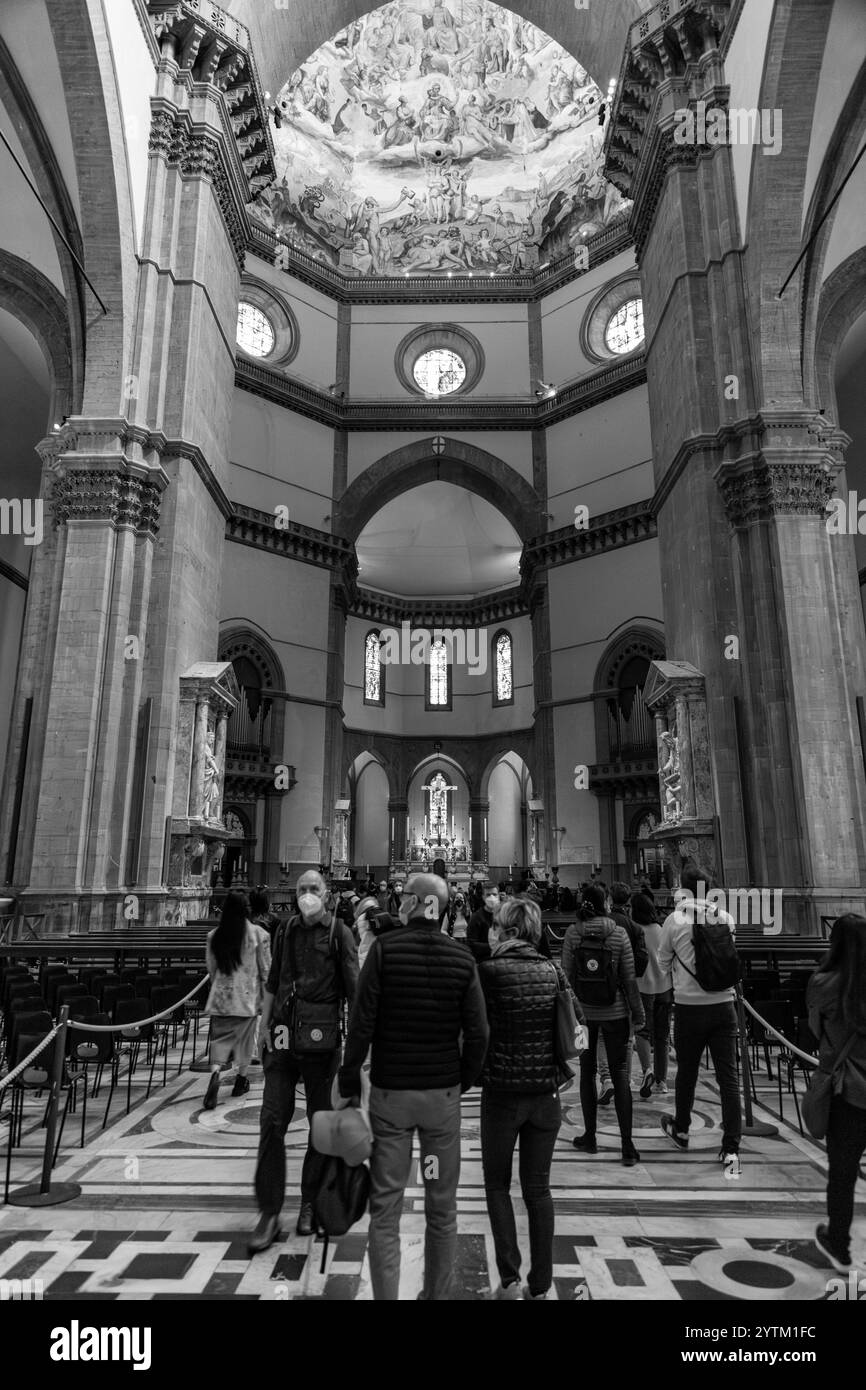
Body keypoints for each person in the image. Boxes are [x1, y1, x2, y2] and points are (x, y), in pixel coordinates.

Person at [338, 873, 489, 1300]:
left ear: (423, 903)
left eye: (404, 897)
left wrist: (351, 1072)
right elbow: (478, 1032)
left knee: (385, 1207)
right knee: (442, 1208)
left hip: (391, 1097)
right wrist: (463, 1079)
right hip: (440, 1099)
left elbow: (362, 1019)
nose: (398, 901)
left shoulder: (384, 950)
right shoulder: (461, 959)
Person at [247, 870, 358, 1254]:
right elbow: (273, 981)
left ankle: (310, 1201)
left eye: (314, 889)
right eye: (302, 890)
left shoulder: (339, 933)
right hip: (281, 1038)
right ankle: (269, 1209)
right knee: (271, 1121)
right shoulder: (285, 931)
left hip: (322, 1043)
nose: (307, 895)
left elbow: (355, 993)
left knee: (320, 1124)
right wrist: (262, 1027)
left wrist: (356, 1057)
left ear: (327, 896)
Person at [479, 896, 582, 1300]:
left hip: (502, 1094)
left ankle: (509, 1281)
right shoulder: (554, 970)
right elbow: (576, 1027)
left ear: (505, 930)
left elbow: (475, 1030)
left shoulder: (487, 971)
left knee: (497, 1186)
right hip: (545, 1096)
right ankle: (540, 1287)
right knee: (538, 1190)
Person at [657, 864, 742, 1169]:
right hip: (724, 1006)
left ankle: (681, 1129)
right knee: (728, 1077)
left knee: (687, 1073)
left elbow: (662, 961)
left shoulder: (675, 919)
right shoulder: (725, 917)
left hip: (689, 1008)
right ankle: (731, 1147)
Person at [562, 883, 644, 1165]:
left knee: (586, 1071)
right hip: (616, 1014)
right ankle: (627, 1145)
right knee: (620, 1072)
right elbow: (630, 979)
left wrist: (570, 1015)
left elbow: (567, 979)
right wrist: (639, 1013)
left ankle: (590, 1136)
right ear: (606, 903)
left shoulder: (573, 934)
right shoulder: (619, 934)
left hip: (583, 1019)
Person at [807, 914, 866, 1272]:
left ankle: (839, 1245)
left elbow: (815, 1031)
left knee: (842, 1173)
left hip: (848, 1090)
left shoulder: (824, 983)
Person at [203, 892, 271, 1109]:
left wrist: (220, 985)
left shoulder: (214, 935)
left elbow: (211, 969)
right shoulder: (258, 934)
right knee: (244, 1043)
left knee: (220, 1041)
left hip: (221, 997)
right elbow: (266, 970)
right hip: (247, 999)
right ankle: (241, 1081)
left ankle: (215, 1073)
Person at [630, 891, 673, 1097]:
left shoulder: (635, 930)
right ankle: (662, 1081)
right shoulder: (662, 929)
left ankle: (647, 1070)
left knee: (642, 1031)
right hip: (664, 986)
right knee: (663, 1036)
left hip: (643, 987)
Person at [467, 883, 500, 963]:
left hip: (502, 960)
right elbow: (472, 944)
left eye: (494, 894)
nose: (492, 897)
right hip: (484, 962)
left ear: (498, 896)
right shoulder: (476, 918)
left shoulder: (503, 915)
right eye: (488, 895)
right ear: (483, 897)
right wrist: (493, 946)